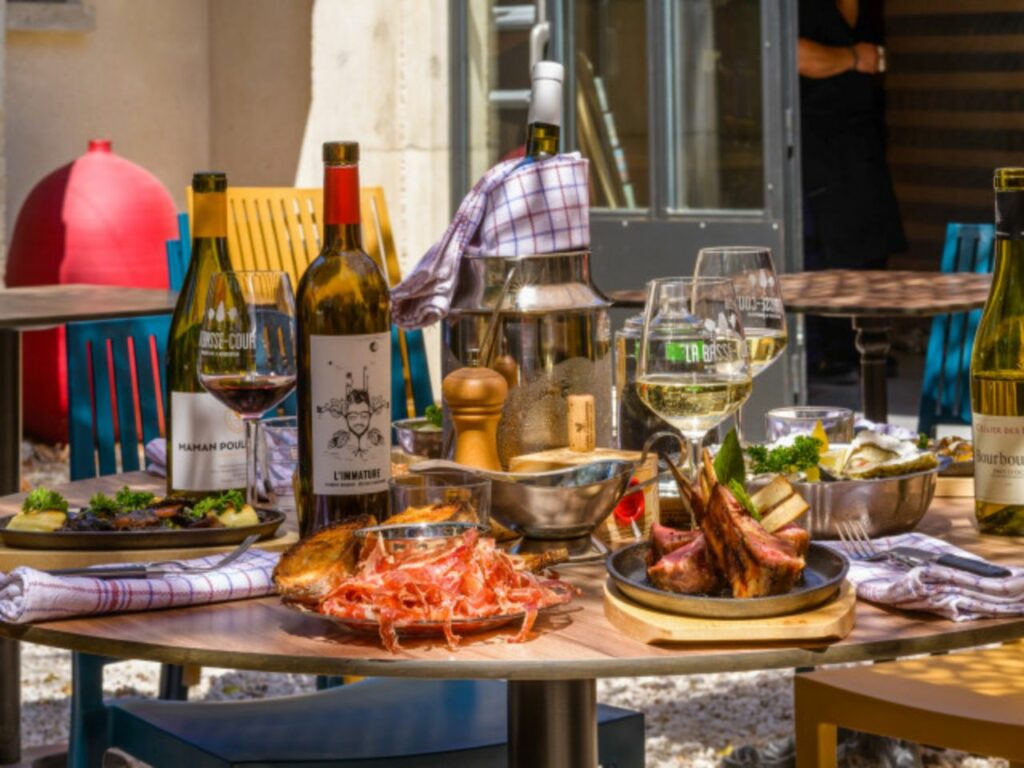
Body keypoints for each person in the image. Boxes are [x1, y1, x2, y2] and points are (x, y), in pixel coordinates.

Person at [798, 0, 905, 378]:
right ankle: (830, 356)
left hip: (862, 142)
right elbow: (795, 55)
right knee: (827, 252)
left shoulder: (868, 10)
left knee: (871, 247)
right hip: (814, 145)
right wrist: (852, 58)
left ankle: (868, 347)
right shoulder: (797, 7)